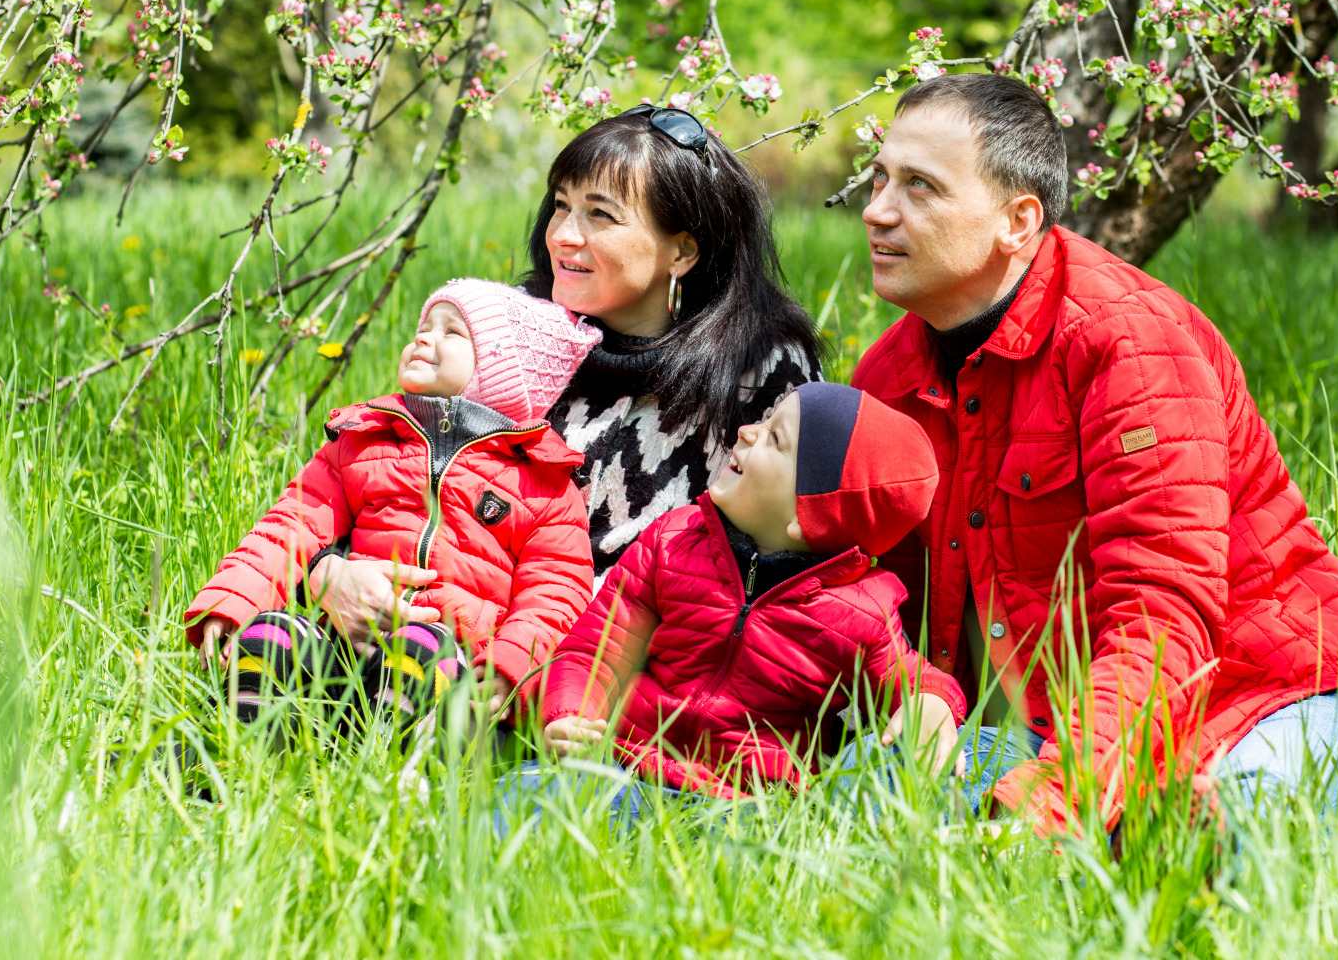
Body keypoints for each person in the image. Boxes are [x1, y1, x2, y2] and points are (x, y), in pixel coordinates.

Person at [847, 74, 1338, 838]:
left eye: (919, 187)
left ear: (1018, 221)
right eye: (880, 179)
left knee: (1255, 832)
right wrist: (925, 699)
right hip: (1050, 727)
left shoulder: (1130, 345)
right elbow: (877, 605)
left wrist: (1060, 791)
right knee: (857, 796)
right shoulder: (887, 381)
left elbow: (1164, 615)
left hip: (1260, 697)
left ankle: (1161, 830)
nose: (876, 209)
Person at [308, 105, 822, 662]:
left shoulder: (757, 371)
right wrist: (327, 571)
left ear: (683, 250)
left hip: (621, 680)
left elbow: (781, 568)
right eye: (561, 205)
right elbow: (391, 476)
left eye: (600, 215)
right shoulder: (512, 336)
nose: (564, 236)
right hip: (438, 629)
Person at [499, 383, 966, 826]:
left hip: (747, 806)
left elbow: (906, 673)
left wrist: (931, 700)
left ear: (810, 515)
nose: (747, 431)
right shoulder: (674, 539)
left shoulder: (860, 609)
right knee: (528, 792)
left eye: (774, 437)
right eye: (764, 419)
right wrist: (571, 711)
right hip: (627, 765)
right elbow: (596, 651)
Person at [186, 279, 600, 729]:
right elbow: (292, 524)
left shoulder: (543, 483)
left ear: (503, 370)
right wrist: (233, 600)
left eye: (452, 332)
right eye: (424, 326)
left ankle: (389, 775)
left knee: (419, 649)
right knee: (270, 635)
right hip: (342, 636)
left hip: (450, 655)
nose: (423, 338)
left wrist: (510, 665)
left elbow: (555, 594)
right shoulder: (364, 441)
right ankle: (237, 754)